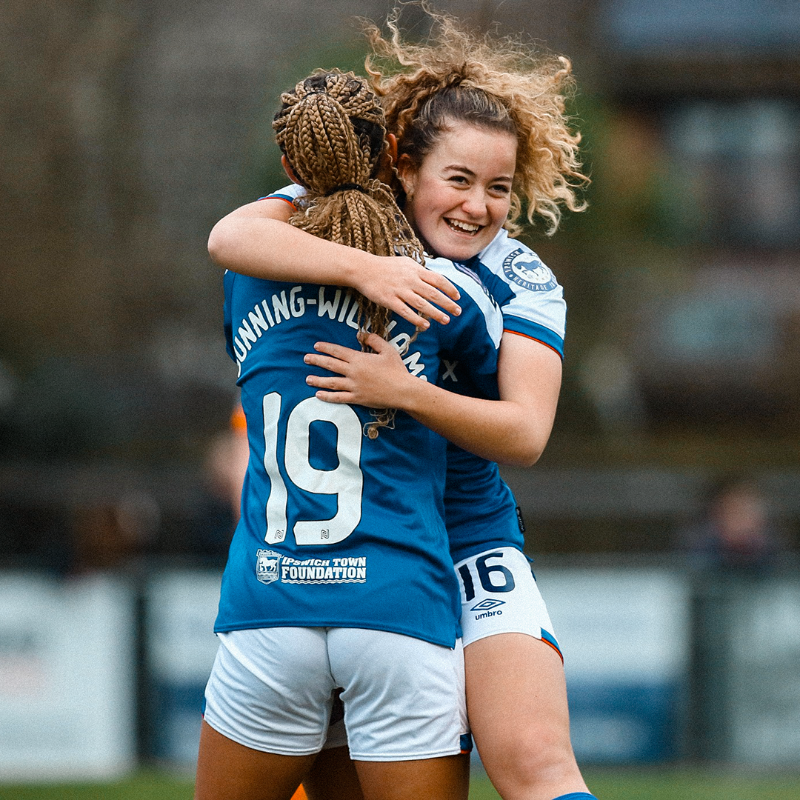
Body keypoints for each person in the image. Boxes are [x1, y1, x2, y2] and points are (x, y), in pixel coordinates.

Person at [207, 7, 598, 800]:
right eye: (459, 180)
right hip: (363, 556)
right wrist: (366, 272)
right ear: (402, 168)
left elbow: (524, 434)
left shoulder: (519, 279)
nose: (479, 207)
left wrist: (407, 393)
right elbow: (228, 237)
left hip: (467, 541)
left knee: (534, 764)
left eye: (499, 188)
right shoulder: (350, 222)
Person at [196, 68, 506, 800]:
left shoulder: (245, 275)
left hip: (269, 605)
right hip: (399, 607)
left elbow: (234, 236)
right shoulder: (443, 286)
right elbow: (501, 417)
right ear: (391, 151)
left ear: (286, 169)